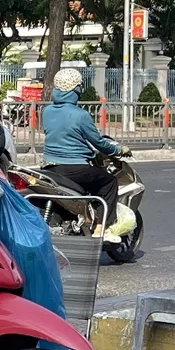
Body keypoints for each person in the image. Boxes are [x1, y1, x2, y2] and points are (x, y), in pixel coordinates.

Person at [40, 68, 129, 239]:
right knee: (109, 182)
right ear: (75, 90)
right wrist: (118, 150)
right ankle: (102, 228)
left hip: (50, 168)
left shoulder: (47, 111)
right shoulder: (81, 115)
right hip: (76, 168)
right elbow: (98, 143)